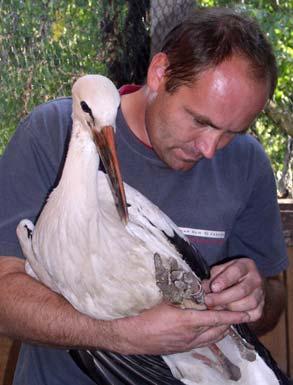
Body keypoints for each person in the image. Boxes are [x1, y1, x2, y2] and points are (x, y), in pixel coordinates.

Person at [0, 7, 288, 385]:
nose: (211, 149)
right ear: (159, 73)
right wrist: (116, 336)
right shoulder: (49, 134)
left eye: (232, 132)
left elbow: (273, 302)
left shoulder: (247, 163)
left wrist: (256, 297)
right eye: (200, 120)